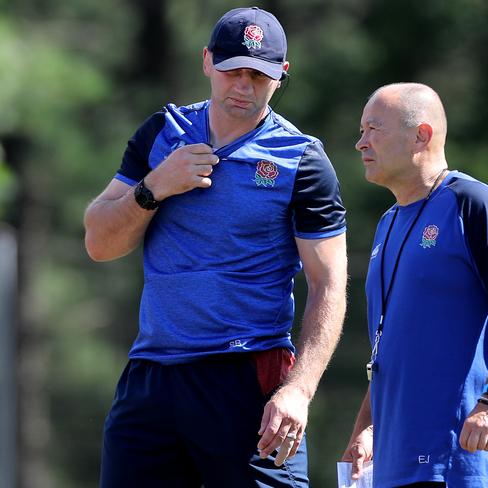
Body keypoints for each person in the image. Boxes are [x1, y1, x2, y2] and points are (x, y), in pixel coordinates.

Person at [84, 7, 347, 487]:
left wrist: (299, 392)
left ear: (281, 76)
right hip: (152, 375)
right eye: (232, 70)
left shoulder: (302, 160)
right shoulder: (161, 134)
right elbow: (99, 241)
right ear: (207, 61)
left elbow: (328, 284)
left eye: (258, 75)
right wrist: (154, 187)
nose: (242, 85)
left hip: (247, 374)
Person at [341, 83, 488, 488]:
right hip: (394, 464)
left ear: (422, 134)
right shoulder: (386, 223)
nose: (361, 142)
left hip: (459, 462)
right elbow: (389, 344)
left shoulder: (473, 202)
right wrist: (367, 427)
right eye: (361, 130)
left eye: (374, 129)